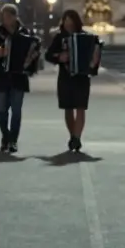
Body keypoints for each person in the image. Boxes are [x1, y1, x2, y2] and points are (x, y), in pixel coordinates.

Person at [0, 4, 40, 153]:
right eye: (3, 17)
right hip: (1, 77)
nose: (5, 20)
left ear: (15, 16)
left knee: (17, 111)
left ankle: (13, 140)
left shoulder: (26, 33)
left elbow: (34, 50)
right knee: (2, 110)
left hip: (19, 77)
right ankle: (5, 137)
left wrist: (32, 58)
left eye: (8, 16)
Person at [44, 9, 102, 152]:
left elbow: (95, 54)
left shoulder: (87, 37)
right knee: (68, 108)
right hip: (65, 77)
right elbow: (48, 55)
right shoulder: (59, 38)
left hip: (82, 78)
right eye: (66, 23)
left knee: (81, 108)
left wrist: (94, 62)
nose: (68, 26)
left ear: (76, 23)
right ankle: (73, 136)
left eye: (71, 23)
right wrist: (59, 57)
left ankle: (77, 138)